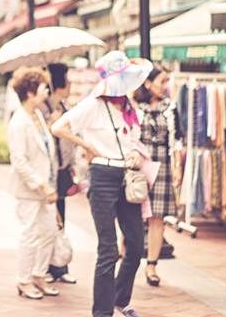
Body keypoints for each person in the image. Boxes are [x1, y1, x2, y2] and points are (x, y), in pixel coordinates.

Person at [52, 51, 153, 317]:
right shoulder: (94, 105)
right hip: (103, 177)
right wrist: (87, 146)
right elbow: (59, 127)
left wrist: (135, 153)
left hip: (128, 176)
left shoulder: (130, 108)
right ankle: (102, 312)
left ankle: (121, 298)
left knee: (135, 244)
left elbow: (134, 140)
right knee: (108, 249)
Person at [6, 66, 61, 301]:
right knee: (29, 233)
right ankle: (24, 279)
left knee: (49, 231)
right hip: (30, 190)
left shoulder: (38, 116)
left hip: (46, 188)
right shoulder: (18, 122)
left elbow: (47, 153)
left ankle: (40, 274)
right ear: (30, 92)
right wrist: (41, 185)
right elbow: (19, 161)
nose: (46, 92)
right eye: (42, 87)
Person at [133, 65, 179, 287]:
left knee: (157, 217)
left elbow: (178, 139)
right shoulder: (134, 107)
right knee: (131, 211)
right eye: (162, 81)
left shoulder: (170, 107)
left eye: (167, 81)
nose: (165, 86)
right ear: (148, 83)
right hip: (139, 167)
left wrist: (177, 167)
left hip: (162, 166)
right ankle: (126, 253)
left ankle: (151, 265)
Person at [44, 62, 78, 285]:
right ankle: (47, 266)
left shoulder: (64, 106)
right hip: (48, 171)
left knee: (61, 217)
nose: (71, 84)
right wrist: (50, 123)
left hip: (63, 168)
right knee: (49, 219)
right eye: (67, 80)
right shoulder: (44, 109)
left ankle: (60, 266)